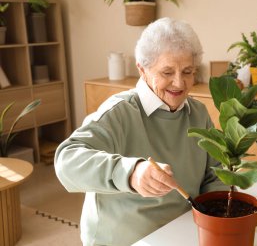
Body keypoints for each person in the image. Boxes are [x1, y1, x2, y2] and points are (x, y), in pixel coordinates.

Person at [54, 17, 227, 246]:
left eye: (187, 71)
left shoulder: (198, 112)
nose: (179, 83)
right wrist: (130, 173)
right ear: (142, 69)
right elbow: (66, 160)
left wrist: (217, 212)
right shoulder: (119, 112)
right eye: (167, 72)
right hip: (127, 239)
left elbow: (214, 173)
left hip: (185, 230)